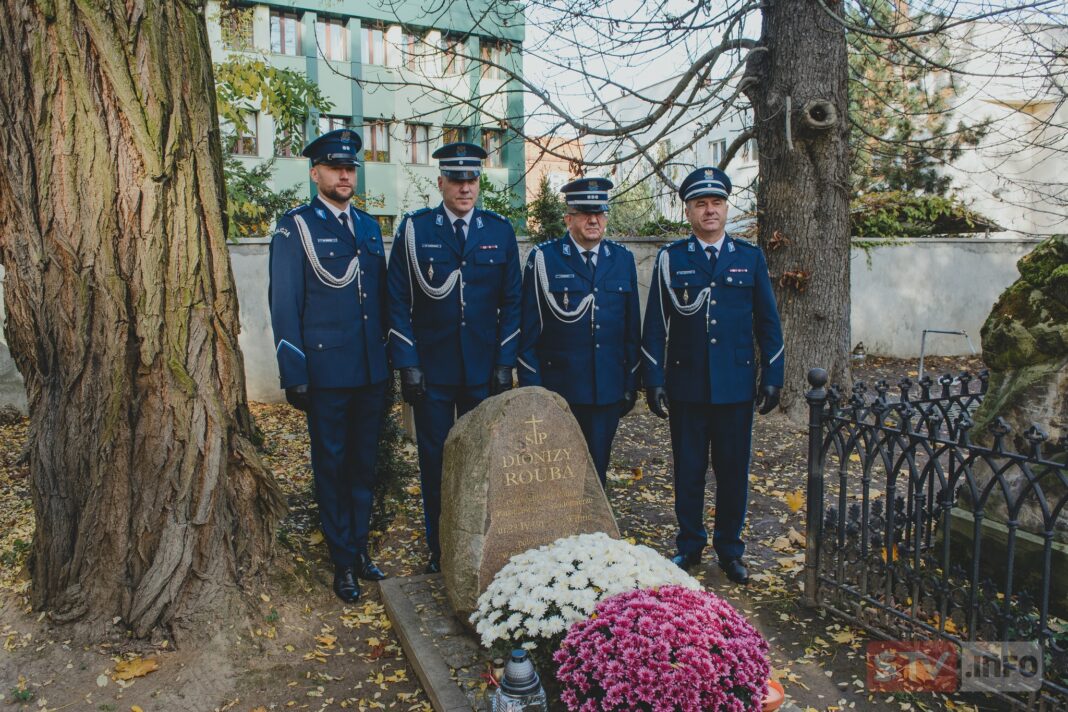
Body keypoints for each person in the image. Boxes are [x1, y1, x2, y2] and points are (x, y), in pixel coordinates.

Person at [641, 167, 784, 585]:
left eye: (716, 203)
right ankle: (689, 544)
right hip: (687, 385)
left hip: (736, 387)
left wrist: (772, 375)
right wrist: (653, 378)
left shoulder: (749, 257)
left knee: (732, 471)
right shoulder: (672, 259)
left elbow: (768, 323)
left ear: (726, 207)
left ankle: (730, 548)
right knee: (688, 471)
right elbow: (655, 324)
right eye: (701, 204)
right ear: (688, 210)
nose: (710, 211)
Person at [387, 141, 522, 573]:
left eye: (472, 180)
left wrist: (505, 361)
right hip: (432, 371)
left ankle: (484, 543)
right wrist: (407, 363)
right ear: (441, 182)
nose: (466, 188)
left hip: (482, 371)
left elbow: (513, 302)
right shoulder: (415, 230)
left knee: (484, 460)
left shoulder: (498, 231)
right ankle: (440, 548)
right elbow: (397, 301)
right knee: (436, 461)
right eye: (457, 180)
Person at [268, 128, 390, 603]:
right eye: (336, 167)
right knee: (332, 467)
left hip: (369, 370)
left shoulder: (367, 227)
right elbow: (284, 302)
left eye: (350, 167)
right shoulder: (294, 226)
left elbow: (378, 299)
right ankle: (342, 562)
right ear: (315, 172)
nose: (344, 174)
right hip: (325, 374)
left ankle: (359, 549)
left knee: (362, 467)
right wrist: (293, 372)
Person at [517, 177, 640, 486]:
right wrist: (536, 392)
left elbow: (630, 330)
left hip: (606, 389)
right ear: (568, 218)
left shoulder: (622, 260)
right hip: (560, 390)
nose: (593, 220)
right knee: (557, 476)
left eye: (599, 213)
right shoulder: (545, 259)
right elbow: (528, 333)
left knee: (595, 474)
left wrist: (630, 382)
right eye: (585, 213)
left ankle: (593, 533)